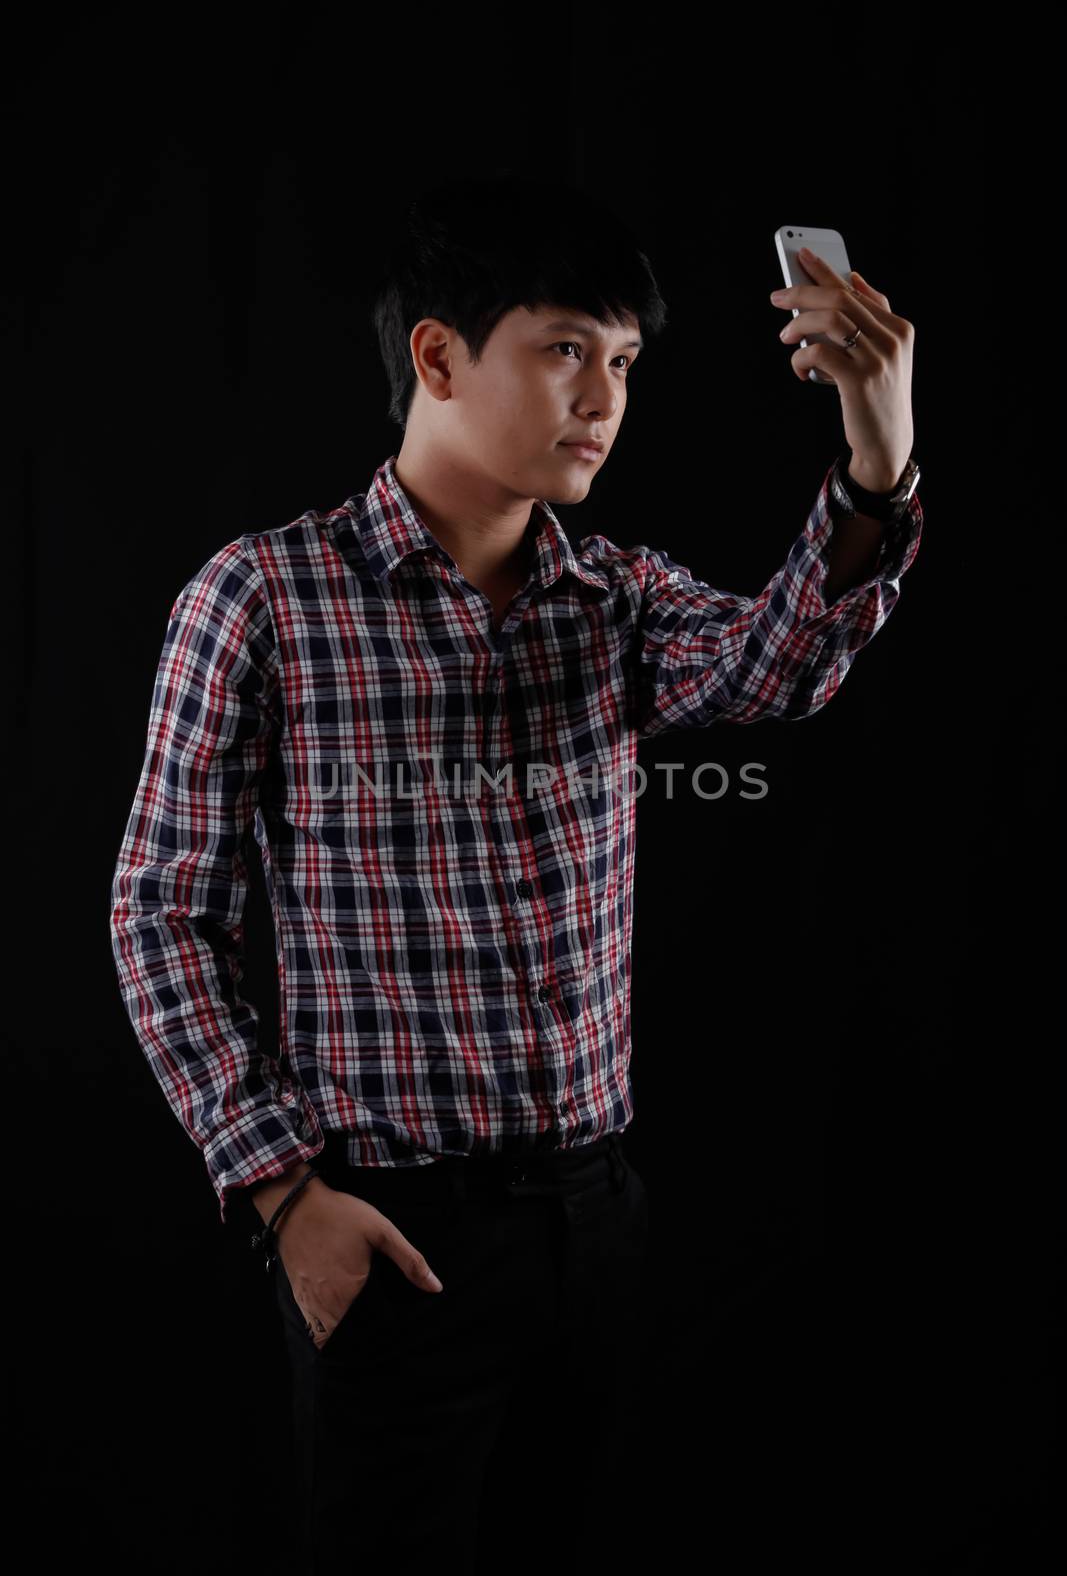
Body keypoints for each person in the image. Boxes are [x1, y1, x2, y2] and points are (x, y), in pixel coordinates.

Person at [109, 173, 923, 1573]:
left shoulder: (618, 597)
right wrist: (284, 1196)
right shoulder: (261, 598)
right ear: (437, 357)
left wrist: (877, 459)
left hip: (595, 1221)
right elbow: (162, 915)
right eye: (563, 350)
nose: (602, 398)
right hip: (389, 1228)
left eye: (622, 363)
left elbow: (774, 665)